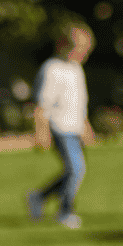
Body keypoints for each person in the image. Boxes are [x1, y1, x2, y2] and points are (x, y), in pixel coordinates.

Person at [27, 25, 96, 229]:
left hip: (74, 128)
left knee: (73, 171)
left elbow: (79, 102)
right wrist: (41, 131)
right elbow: (42, 104)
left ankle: (39, 197)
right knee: (76, 169)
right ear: (64, 45)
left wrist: (85, 125)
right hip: (59, 127)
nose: (83, 54)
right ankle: (65, 212)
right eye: (79, 49)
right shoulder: (52, 69)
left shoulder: (76, 69)